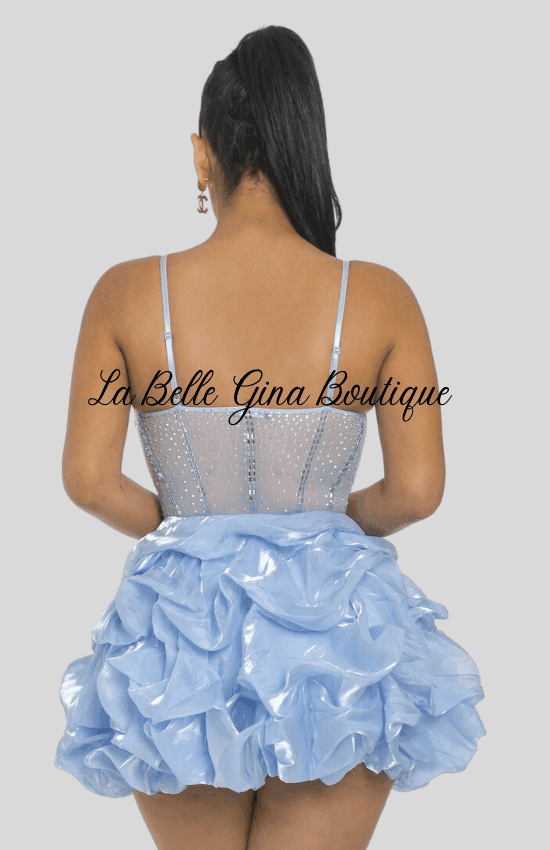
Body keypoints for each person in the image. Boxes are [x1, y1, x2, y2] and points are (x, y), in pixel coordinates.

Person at [55, 24, 485, 850]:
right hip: (336, 639)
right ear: (305, 142)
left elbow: (89, 480)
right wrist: (320, 531)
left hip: (179, 636)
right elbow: (417, 490)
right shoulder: (380, 297)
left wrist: (195, 536)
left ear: (201, 154)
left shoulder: (125, 294)